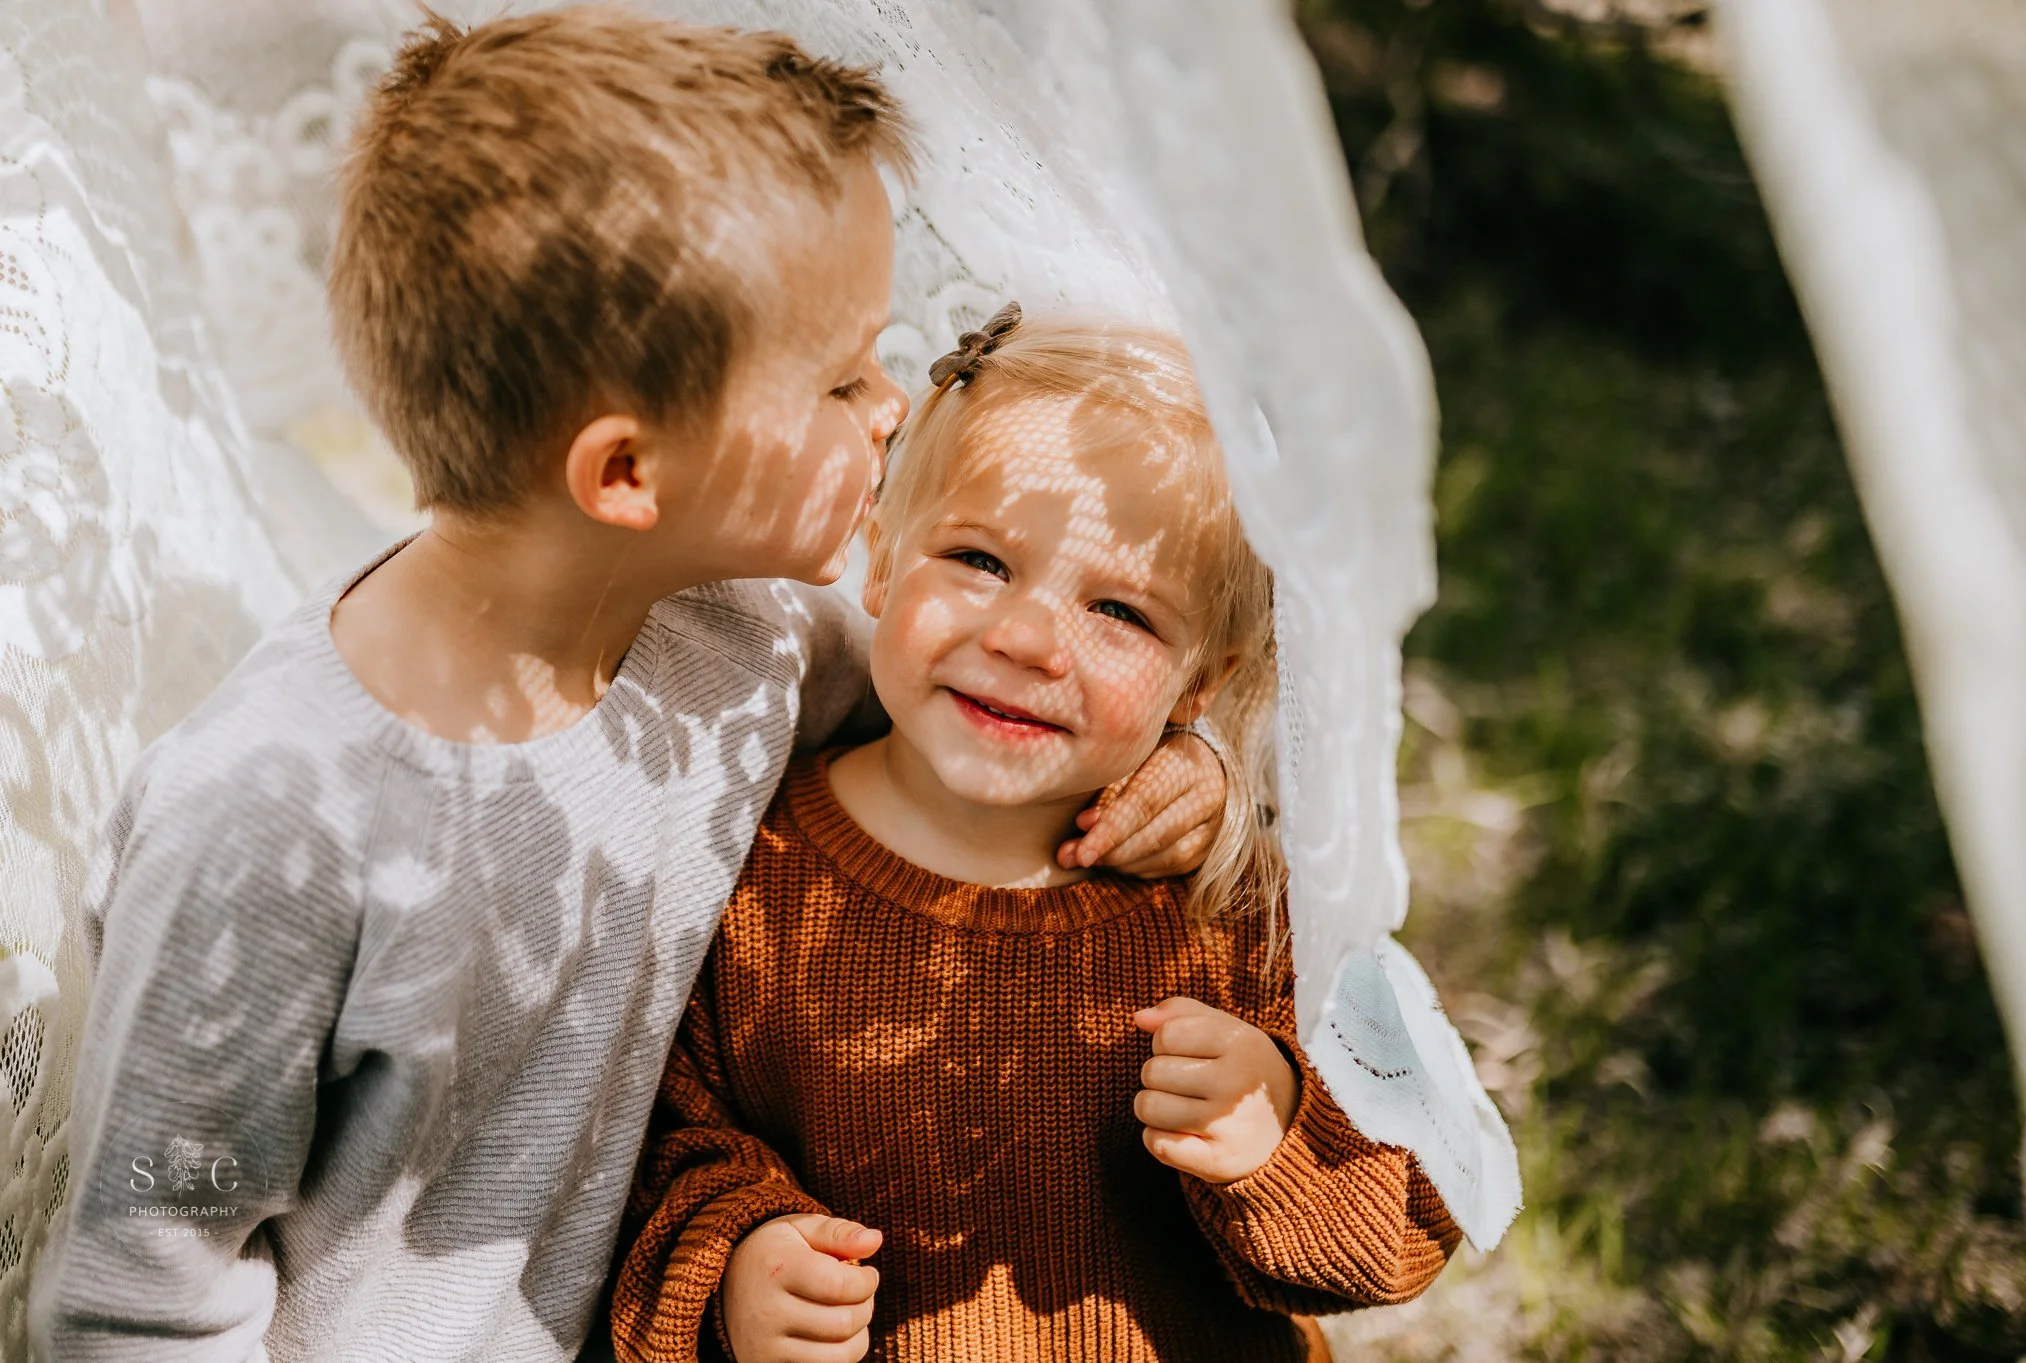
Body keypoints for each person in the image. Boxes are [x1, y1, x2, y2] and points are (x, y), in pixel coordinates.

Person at [29, 14, 1223, 1362]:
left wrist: (1179, 768)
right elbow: (142, 1298)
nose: (891, 407)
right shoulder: (268, 827)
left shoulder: (745, 645)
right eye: (841, 377)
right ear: (626, 476)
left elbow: (968, 714)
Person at [609, 312, 1463, 1363]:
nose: (1022, 639)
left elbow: (1412, 1220)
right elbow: (668, 1148)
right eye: (977, 558)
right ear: (880, 560)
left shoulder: (1230, 902)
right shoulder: (752, 868)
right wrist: (735, 1266)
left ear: (1203, 680)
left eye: (1120, 611)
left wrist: (1275, 1126)